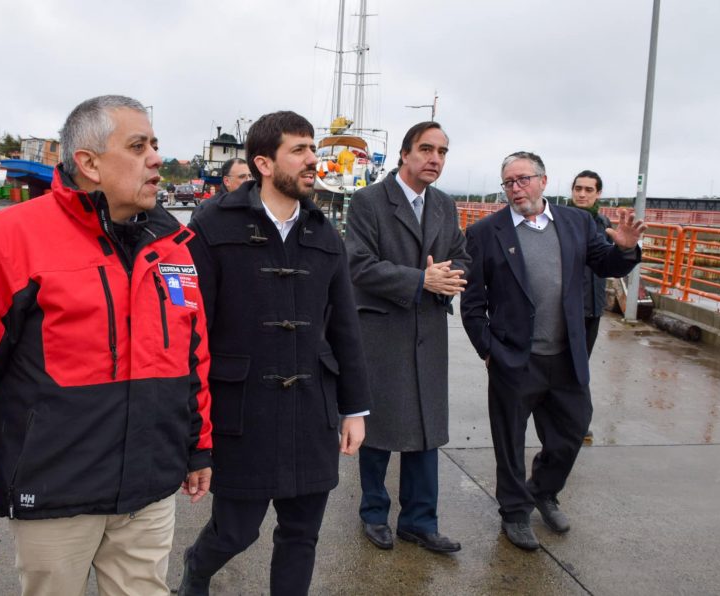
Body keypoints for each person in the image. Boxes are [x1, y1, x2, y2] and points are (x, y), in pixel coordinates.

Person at [0, 95, 213, 595]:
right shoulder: (8, 241)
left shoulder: (173, 245)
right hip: (56, 495)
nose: (156, 159)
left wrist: (198, 446)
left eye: (156, 144)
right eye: (138, 145)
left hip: (149, 489)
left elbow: (192, 355)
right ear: (89, 163)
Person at [179, 110, 371, 596]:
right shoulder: (212, 224)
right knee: (236, 532)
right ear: (264, 162)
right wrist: (190, 423)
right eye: (300, 150)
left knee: (302, 534)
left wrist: (355, 407)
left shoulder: (325, 233)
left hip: (313, 410)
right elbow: (190, 328)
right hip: (242, 410)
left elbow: (346, 326)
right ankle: (196, 571)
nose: (313, 161)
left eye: (313, 149)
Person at [460, 151, 646, 551]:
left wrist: (627, 249)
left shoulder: (577, 222)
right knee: (509, 441)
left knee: (572, 432)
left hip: (565, 355)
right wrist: (488, 350)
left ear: (544, 181)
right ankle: (514, 512)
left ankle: (542, 490)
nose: (516, 188)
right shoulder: (485, 232)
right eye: (508, 182)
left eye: (523, 179)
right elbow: (473, 303)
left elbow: (606, 264)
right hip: (514, 358)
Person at [344, 121, 469, 555]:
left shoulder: (445, 205)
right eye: (426, 149)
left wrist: (451, 277)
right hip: (383, 330)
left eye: (442, 152)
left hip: (428, 331)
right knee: (377, 430)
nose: (435, 158)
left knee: (425, 430)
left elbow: (462, 256)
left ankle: (419, 521)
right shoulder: (369, 201)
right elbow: (357, 264)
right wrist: (421, 280)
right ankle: (374, 514)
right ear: (404, 154)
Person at [571, 170, 612, 357]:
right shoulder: (562, 220)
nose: (582, 194)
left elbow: (607, 260)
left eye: (588, 190)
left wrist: (624, 250)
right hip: (569, 304)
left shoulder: (603, 223)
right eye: (578, 189)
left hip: (594, 303)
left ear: (598, 193)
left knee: (583, 358)